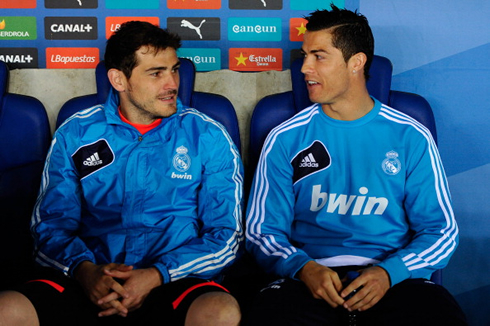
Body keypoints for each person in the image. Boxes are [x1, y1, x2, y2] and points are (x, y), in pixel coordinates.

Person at [0, 21, 243, 326]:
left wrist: (158, 274)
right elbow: (50, 226)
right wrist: (85, 271)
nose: (172, 83)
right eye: (156, 73)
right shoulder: (76, 133)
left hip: (172, 280)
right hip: (91, 279)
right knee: (6, 308)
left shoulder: (207, 135)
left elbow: (226, 236)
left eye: (174, 69)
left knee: (220, 311)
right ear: (118, 79)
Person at [244, 5, 467, 326]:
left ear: (356, 62)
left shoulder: (410, 135)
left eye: (319, 56)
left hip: (394, 279)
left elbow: (441, 232)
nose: (305, 67)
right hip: (307, 279)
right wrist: (302, 267)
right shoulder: (285, 137)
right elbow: (261, 231)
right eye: (305, 55)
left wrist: (390, 273)